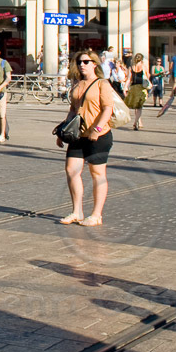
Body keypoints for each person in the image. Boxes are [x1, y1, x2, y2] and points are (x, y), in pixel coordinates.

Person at [57, 52, 112, 226]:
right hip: (78, 135)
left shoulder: (102, 84)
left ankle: (97, 215)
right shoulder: (77, 85)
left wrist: (97, 128)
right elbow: (73, 110)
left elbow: (107, 109)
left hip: (99, 136)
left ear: (94, 64)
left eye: (86, 62)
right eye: (80, 62)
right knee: (71, 170)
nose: (82, 64)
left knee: (97, 174)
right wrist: (63, 132)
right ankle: (77, 211)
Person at [124, 53, 149, 130]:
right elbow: (147, 76)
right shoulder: (144, 67)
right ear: (141, 60)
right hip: (141, 88)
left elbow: (129, 79)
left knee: (136, 106)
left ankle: (138, 121)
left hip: (133, 87)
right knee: (139, 106)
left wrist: (125, 88)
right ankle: (137, 121)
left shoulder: (131, 67)